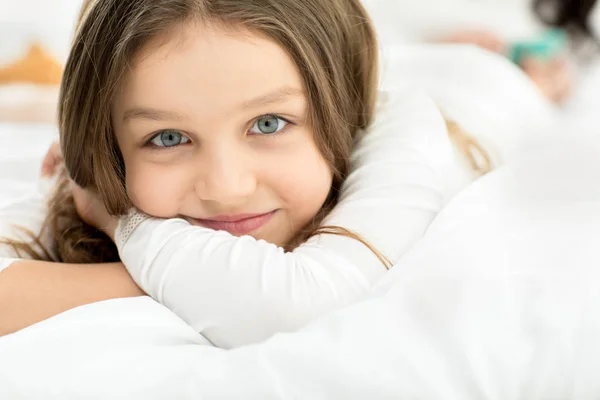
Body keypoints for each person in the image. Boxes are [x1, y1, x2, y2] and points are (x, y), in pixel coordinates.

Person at [0, 0, 481, 346]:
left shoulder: (402, 136)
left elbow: (293, 306)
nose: (227, 188)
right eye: (168, 137)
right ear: (109, 150)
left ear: (348, 119)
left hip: (476, 80)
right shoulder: (86, 174)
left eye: (268, 124)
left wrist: (118, 221)